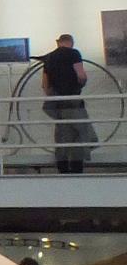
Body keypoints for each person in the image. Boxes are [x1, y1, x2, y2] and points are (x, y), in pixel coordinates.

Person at [40, 34, 95, 174]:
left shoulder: (49, 57)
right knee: (81, 132)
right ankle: (77, 167)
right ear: (71, 42)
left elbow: (45, 84)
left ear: (58, 42)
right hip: (72, 99)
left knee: (62, 133)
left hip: (57, 102)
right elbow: (81, 75)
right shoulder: (74, 54)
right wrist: (81, 84)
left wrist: (52, 96)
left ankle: (63, 168)